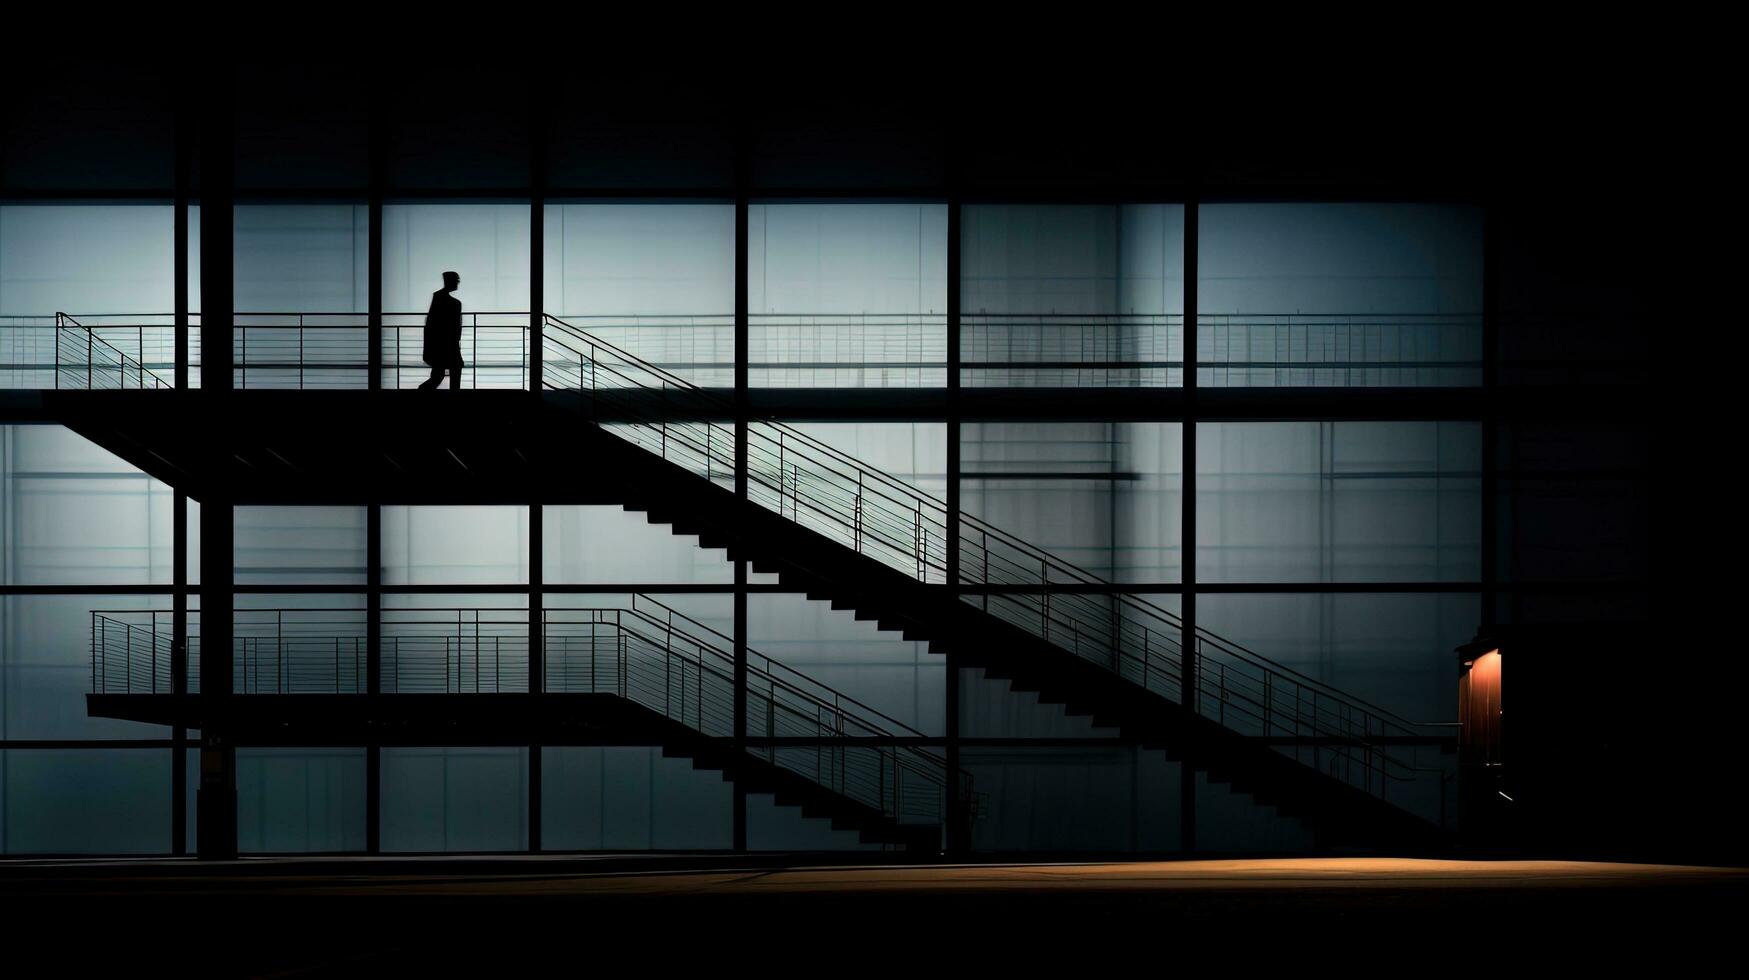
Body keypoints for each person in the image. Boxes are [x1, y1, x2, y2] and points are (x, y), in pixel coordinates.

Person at [418, 271, 464, 389]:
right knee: (453, 370)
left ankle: (423, 390)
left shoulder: (439, 297)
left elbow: (430, 323)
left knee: (439, 375)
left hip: (440, 345)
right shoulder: (454, 303)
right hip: (447, 344)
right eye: (457, 280)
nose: (458, 283)